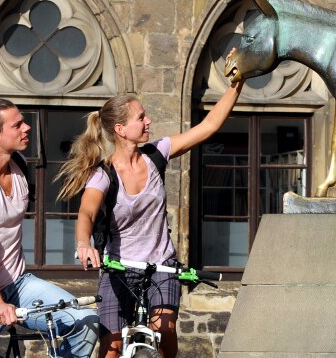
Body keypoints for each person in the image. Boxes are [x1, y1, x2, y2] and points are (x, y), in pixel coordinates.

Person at [56, 68, 244, 358]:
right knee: (112, 347)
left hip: (161, 265)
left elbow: (207, 127)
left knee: (165, 331)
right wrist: (84, 244)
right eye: (140, 117)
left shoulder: (157, 154)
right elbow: (86, 213)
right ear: (120, 129)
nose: (148, 121)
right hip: (119, 268)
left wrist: (236, 84)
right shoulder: (104, 174)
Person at [0, 98, 100, 358]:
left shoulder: (18, 165)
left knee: (85, 322)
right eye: (17, 125)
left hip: (18, 285)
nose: (26, 128)